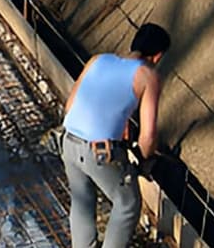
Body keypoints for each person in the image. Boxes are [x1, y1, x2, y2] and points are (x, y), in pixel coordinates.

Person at [61, 23, 170, 248]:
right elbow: (148, 135)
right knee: (127, 204)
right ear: (157, 56)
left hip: (68, 142)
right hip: (98, 152)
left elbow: (70, 105)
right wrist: (144, 161)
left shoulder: (97, 60)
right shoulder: (148, 76)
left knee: (82, 202)